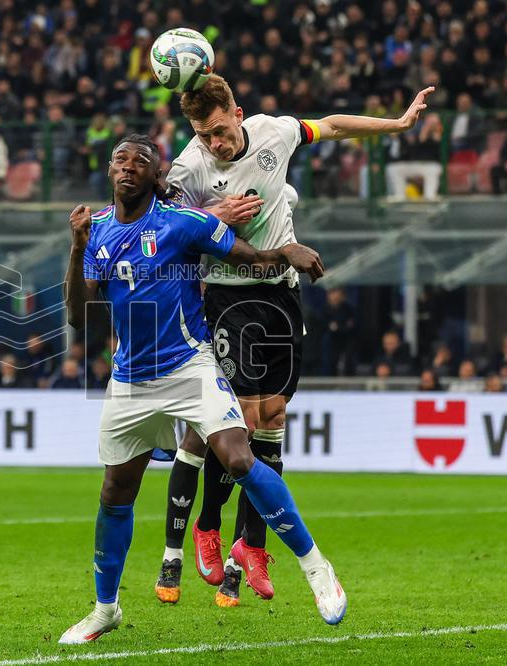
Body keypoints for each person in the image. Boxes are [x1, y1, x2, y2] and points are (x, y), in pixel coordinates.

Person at [156, 74, 433, 607]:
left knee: (275, 412)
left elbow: (330, 124)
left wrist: (397, 122)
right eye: (202, 134)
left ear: (237, 111)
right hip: (226, 293)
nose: (214, 143)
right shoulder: (189, 167)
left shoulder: (274, 132)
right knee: (242, 417)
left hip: (281, 291)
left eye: (218, 130)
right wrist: (212, 216)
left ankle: (251, 546)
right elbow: (159, 226)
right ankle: (207, 528)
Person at [58, 135, 343, 645]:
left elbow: (251, 258)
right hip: (130, 380)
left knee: (237, 457)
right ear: (108, 170)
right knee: (115, 491)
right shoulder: (96, 231)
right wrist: (77, 247)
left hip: (191, 365)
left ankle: (316, 566)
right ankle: (104, 609)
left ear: (156, 175)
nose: (128, 166)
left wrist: (286, 251)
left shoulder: (183, 222)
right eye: (120, 158)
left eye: (141, 160)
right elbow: (80, 315)